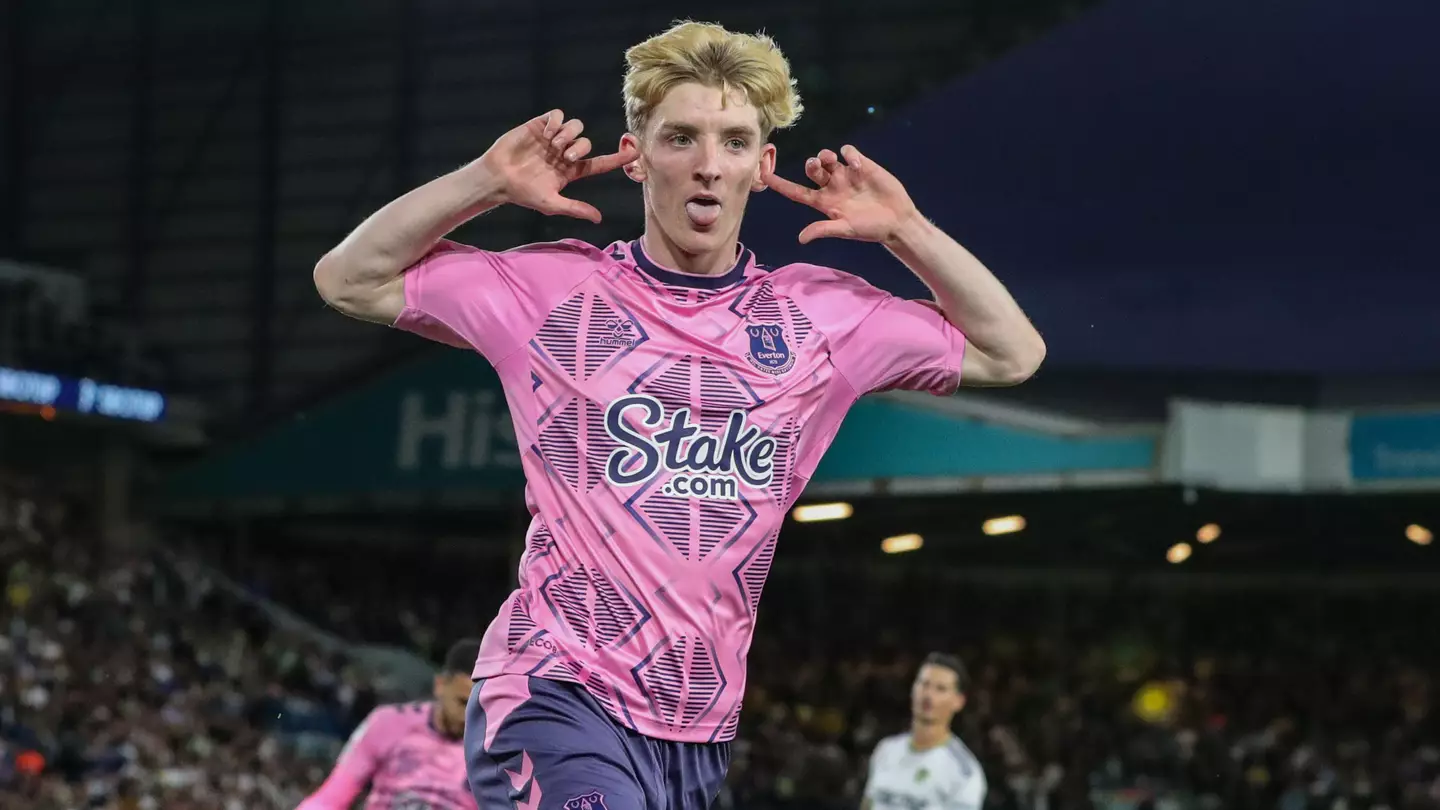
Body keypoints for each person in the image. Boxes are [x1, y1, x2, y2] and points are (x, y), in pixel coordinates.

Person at [313, 19, 1043, 810]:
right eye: (680, 137)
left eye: (733, 142)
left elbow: (1012, 353)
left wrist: (906, 231)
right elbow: (349, 280)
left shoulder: (821, 320)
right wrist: (484, 182)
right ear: (635, 155)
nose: (707, 166)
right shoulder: (552, 295)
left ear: (763, 166)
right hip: (554, 695)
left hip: (696, 735)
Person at [297, 639, 480, 809]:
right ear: (440, 685)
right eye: (462, 703)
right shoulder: (388, 723)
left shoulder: (495, 754)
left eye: (479, 709)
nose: (467, 718)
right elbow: (330, 798)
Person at [862, 654, 986, 810]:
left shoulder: (963, 771)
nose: (928, 695)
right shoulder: (886, 749)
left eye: (940, 689)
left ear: (958, 701)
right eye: (924, 684)